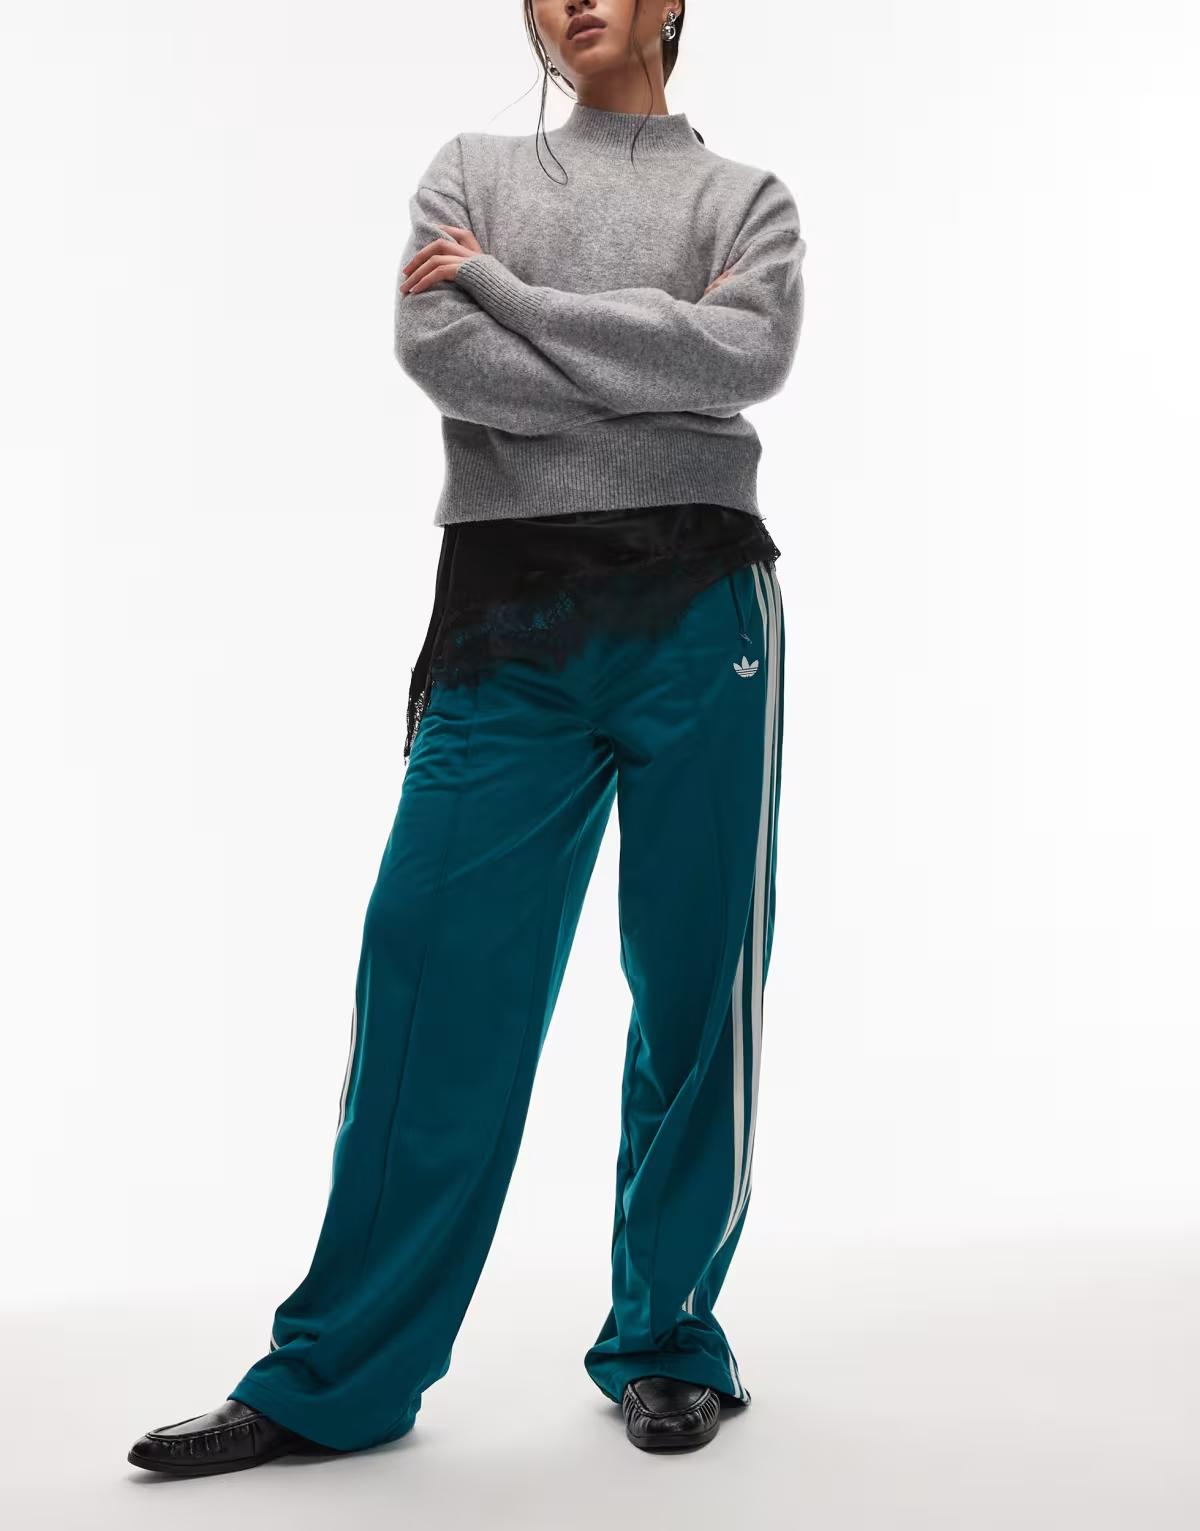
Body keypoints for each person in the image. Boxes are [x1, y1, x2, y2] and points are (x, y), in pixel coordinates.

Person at [127, 0, 805, 1475]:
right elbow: (445, 360)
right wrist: (646, 361)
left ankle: (669, 1340)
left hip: (702, 611)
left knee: (697, 985)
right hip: (510, 620)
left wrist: (510, 293)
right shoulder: (470, 169)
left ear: (673, 3)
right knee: (428, 970)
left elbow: (745, 359)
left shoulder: (743, 198)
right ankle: (335, 1378)